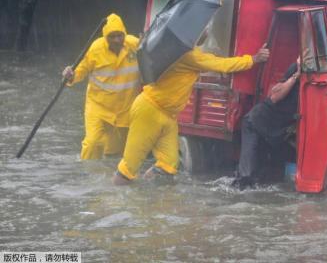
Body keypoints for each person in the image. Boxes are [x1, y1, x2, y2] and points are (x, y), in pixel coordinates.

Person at [112, 43, 270, 185]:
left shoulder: (178, 51)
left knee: (168, 167)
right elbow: (220, 64)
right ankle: (115, 201)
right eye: (203, 29)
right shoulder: (188, 56)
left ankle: (147, 202)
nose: (206, 31)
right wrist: (253, 59)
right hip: (149, 110)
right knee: (128, 168)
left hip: (168, 115)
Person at [63, 13, 140, 160]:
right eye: (112, 36)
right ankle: (88, 177)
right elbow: (80, 70)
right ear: (105, 37)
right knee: (92, 144)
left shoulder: (135, 45)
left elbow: (151, 58)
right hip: (98, 107)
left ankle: (106, 181)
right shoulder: (96, 49)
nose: (117, 40)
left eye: (120, 35)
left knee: (114, 154)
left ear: (125, 33)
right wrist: (70, 75)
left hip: (124, 110)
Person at [232, 58, 300, 190]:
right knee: (248, 169)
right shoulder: (295, 68)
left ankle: (253, 185)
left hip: (274, 126)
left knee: (264, 168)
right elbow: (274, 95)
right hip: (256, 119)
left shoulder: (319, 73)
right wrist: (295, 77)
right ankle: (241, 187)